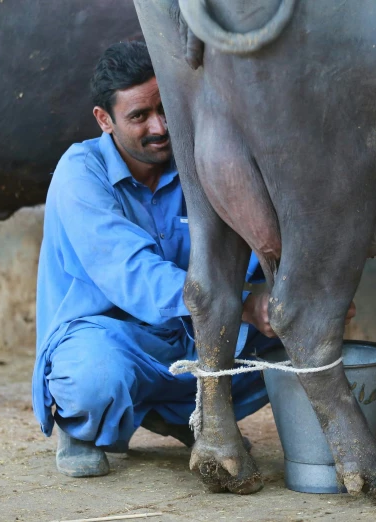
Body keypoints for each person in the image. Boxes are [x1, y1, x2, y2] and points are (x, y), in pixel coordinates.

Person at [32, 41, 315, 478]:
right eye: (139, 116)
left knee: (303, 330)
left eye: (165, 108)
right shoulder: (80, 172)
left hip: (196, 337)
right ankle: (83, 425)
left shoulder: (200, 157)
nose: (161, 127)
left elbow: (257, 247)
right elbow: (132, 274)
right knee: (93, 378)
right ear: (103, 120)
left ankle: (188, 415)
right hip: (115, 337)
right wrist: (242, 305)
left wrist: (290, 294)